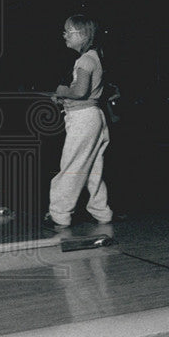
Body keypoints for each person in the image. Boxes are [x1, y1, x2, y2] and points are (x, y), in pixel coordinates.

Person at [43, 14, 114, 231]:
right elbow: (87, 93)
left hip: (83, 120)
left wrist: (63, 91)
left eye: (68, 31)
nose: (64, 34)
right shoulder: (94, 57)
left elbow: (81, 91)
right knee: (92, 169)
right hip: (94, 118)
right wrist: (64, 98)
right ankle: (101, 212)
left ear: (82, 35)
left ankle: (59, 214)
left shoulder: (84, 61)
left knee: (72, 167)